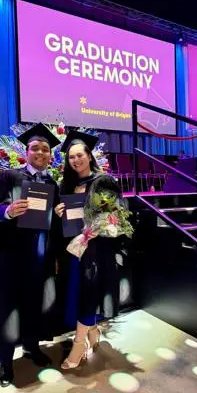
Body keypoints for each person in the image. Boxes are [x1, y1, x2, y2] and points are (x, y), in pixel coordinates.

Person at [0, 123, 61, 387]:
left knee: (33, 304)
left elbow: (55, 223)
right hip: (10, 257)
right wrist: (7, 211)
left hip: (38, 255)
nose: (40, 152)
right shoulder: (8, 177)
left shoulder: (52, 183)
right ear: (26, 152)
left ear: (51, 156)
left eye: (45, 149)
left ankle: (31, 347)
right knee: (7, 309)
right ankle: (5, 362)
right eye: (34, 147)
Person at [55, 130, 133, 370]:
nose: (75, 160)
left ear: (89, 156)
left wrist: (92, 231)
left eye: (80, 155)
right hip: (74, 251)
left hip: (96, 251)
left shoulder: (103, 181)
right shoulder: (65, 185)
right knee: (77, 294)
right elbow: (64, 221)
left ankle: (79, 344)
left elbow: (115, 215)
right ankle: (92, 330)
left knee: (88, 293)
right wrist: (58, 214)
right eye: (71, 157)